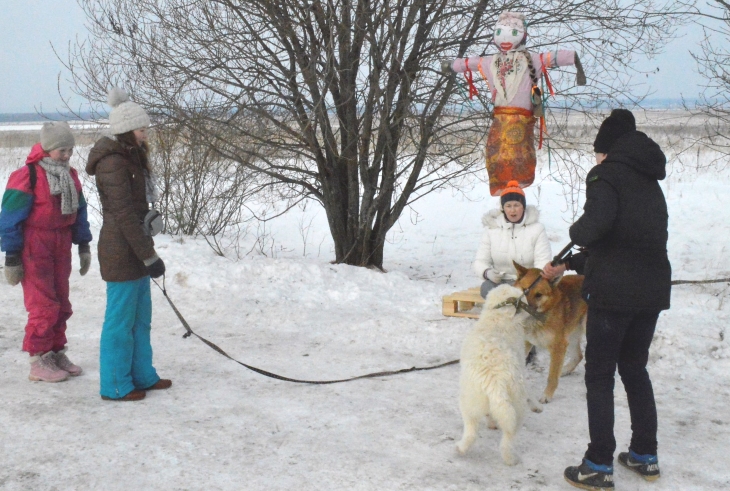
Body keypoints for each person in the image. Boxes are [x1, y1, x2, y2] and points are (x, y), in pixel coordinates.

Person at [543, 109, 671, 490]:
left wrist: (575, 232)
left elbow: (595, 227)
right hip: (649, 290)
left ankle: (598, 463)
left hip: (613, 295)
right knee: (634, 369)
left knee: (599, 376)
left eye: (597, 152)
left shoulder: (605, 174)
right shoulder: (650, 181)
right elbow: (622, 242)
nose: (595, 159)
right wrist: (569, 263)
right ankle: (645, 454)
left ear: (606, 149)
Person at [86, 87, 170, 402]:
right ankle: (115, 385)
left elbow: (135, 209)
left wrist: (150, 216)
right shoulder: (113, 163)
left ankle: (142, 375)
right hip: (121, 250)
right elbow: (122, 215)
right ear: (125, 130)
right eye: (141, 128)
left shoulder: (132, 157)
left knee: (140, 319)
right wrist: (149, 257)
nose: (145, 132)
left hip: (135, 247)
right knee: (120, 323)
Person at [0, 122, 92, 382]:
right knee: (43, 304)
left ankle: (55, 351)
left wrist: (83, 245)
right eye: (62, 150)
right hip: (34, 244)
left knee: (62, 303)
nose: (66, 156)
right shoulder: (27, 176)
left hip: (60, 243)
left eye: (70, 150)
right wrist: (12, 256)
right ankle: (38, 359)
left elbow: (80, 213)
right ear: (47, 149)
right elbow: (9, 219)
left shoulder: (70, 176)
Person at [473, 180, 552, 299]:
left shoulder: (537, 229)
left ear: (523, 207)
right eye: (508, 206)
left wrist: (528, 280)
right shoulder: (491, 230)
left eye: (516, 205)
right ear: (503, 208)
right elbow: (480, 261)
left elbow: (543, 261)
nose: (512, 210)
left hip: (527, 283)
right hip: (500, 282)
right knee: (486, 288)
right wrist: (487, 272)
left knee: (526, 293)